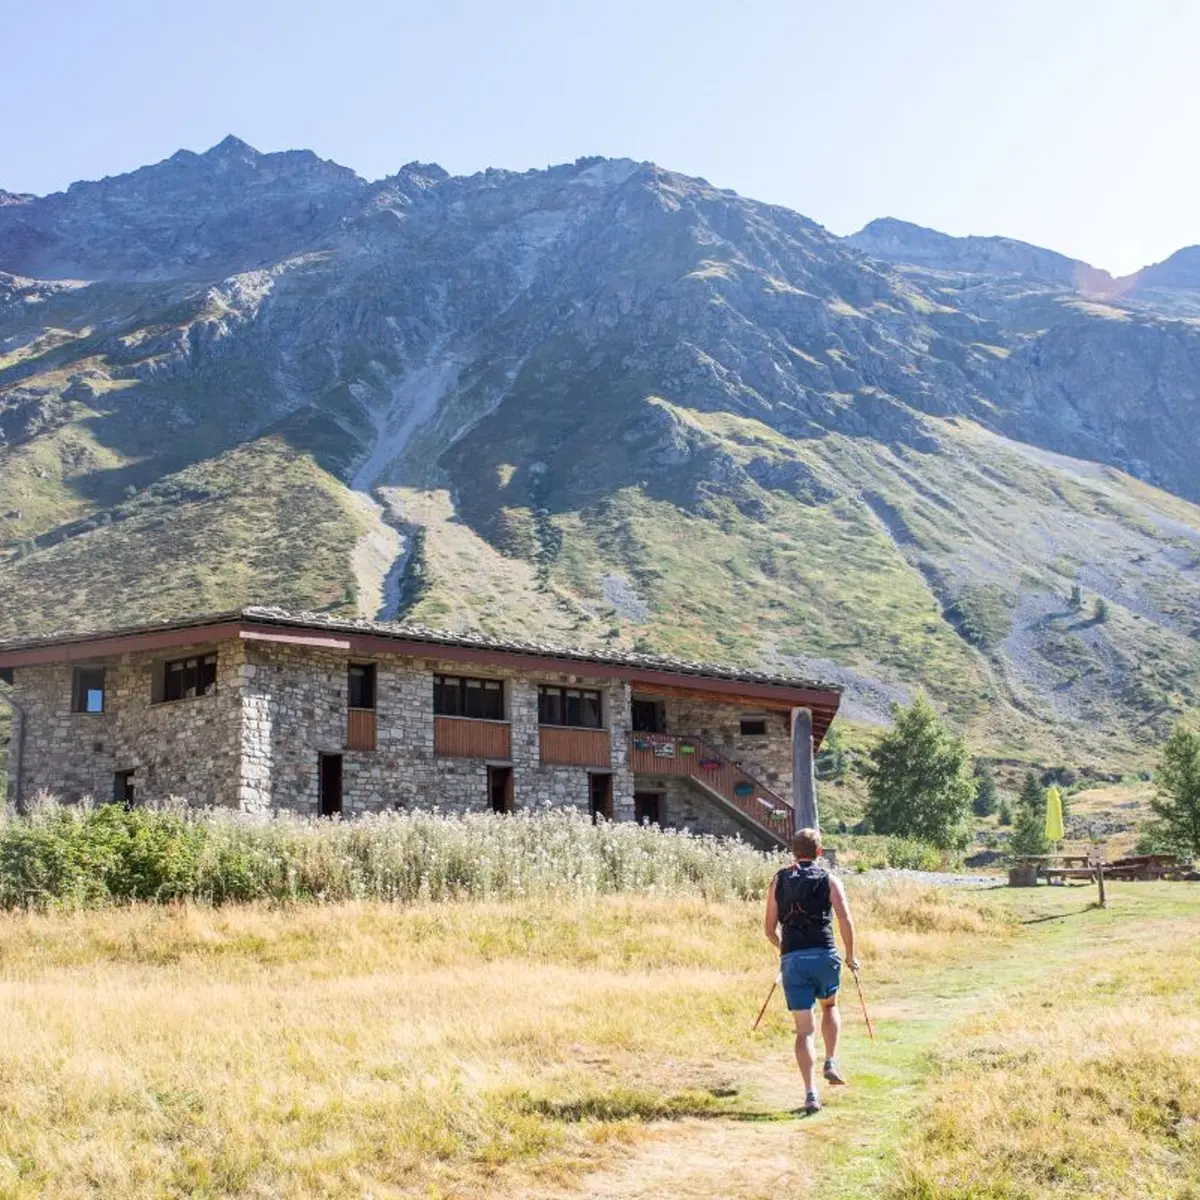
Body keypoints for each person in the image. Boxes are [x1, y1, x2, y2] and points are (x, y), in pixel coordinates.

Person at [764, 826, 858, 1114]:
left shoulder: (778, 880)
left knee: (804, 1031)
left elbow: (768, 929)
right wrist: (851, 956)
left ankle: (810, 1094)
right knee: (829, 1007)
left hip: (793, 957)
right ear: (819, 852)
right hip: (825, 953)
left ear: (794, 851)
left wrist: (785, 951)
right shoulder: (830, 880)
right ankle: (831, 1060)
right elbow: (844, 918)